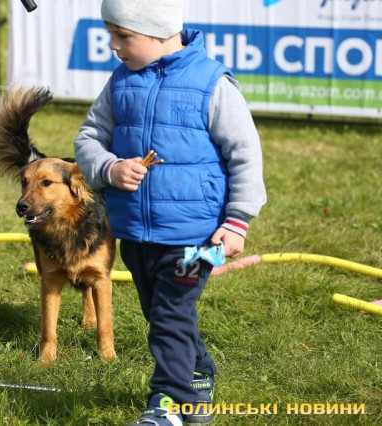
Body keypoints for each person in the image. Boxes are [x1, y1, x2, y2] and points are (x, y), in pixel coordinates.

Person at [74, 0, 267, 425]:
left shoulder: (211, 83)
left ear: (159, 32)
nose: (113, 45)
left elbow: (246, 155)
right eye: (111, 34)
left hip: (196, 237)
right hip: (135, 235)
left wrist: (237, 222)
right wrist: (109, 168)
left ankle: (170, 405)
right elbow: (89, 137)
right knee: (161, 313)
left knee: (169, 316)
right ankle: (198, 372)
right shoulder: (120, 82)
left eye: (122, 35)